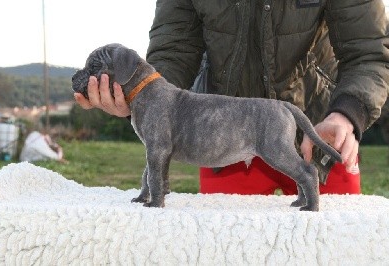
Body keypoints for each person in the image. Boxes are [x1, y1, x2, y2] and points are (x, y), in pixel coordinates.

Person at [74, 1, 389, 195]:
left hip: (322, 132)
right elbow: (174, 52)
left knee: (335, 250)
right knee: (228, 247)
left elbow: (370, 52)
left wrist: (348, 113)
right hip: (222, 139)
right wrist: (139, 98)